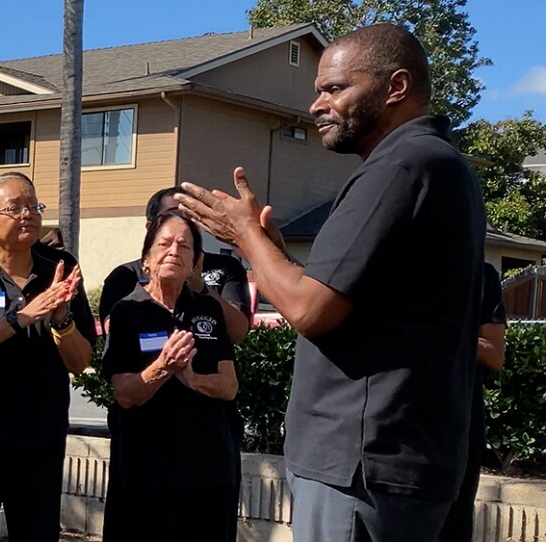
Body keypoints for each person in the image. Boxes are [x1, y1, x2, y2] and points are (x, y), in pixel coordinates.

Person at [176, 23, 486, 542]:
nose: (318, 104)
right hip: (398, 460)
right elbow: (344, 301)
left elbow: (310, 310)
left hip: (363, 465)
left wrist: (245, 235)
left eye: (335, 89)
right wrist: (270, 249)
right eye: (319, 89)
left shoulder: (402, 167)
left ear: (396, 87)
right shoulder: (438, 165)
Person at [0, 171, 96, 542]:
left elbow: (79, 360)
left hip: (38, 436)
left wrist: (61, 318)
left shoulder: (59, 267)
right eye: (16, 207)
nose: (28, 214)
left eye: (34, 206)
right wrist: (21, 318)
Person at [100, 187, 250, 542]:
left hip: (210, 466)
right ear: (146, 258)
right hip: (149, 469)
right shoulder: (127, 312)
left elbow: (229, 386)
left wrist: (191, 377)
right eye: (165, 244)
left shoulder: (208, 309)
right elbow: (125, 393)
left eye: (184, 246)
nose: (174, 252)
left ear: (196, 260)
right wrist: (163, 367)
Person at [99, 186, 251, 342]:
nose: (182, 223)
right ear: (151, 227)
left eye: (191, 215)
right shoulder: (124, 276)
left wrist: (202, 289)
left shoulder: (225, 266)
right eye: (174, 214)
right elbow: (115, 338)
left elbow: (238, 331)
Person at [439, 262, 507, 542]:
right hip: (390, 430)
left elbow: (494, 354)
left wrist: (438, 333)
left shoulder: (481, 275)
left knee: (452, 529)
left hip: (460, 428)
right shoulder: (391, 263)